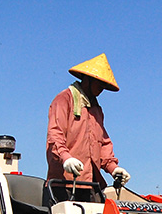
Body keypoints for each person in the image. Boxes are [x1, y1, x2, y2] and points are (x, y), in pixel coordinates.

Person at [46, 53, 130, 189]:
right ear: (87, 79)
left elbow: (103, 144)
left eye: (104, 84)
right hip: (64, 184)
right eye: (99, 83)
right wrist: (66, 158)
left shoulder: (96, 110)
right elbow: (55, 135)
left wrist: (113, 168)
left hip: (91, 184)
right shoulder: (64, 99)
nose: (102, 88)